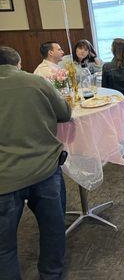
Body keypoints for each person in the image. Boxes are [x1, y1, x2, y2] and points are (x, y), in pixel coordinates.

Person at [0, 46, 71, 280]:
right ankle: (51, 275)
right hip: (44, 169)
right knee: (53, 230)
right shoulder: (36, 82)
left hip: (4, 178)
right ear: (18, 63)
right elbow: (64, 113)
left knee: (5, 247)